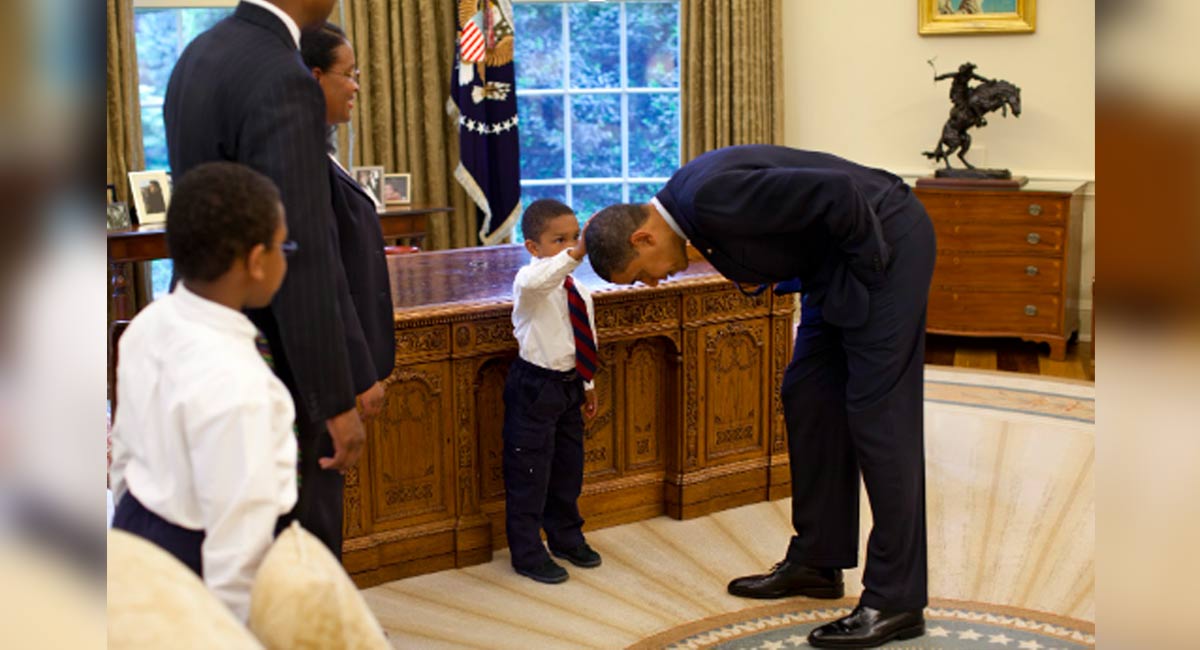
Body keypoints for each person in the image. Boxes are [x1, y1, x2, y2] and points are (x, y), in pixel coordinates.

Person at [585, 145, 936, 648]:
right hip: (838, 262)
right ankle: (818, 561)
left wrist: (872, 279)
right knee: (809, 396)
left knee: (880, 420)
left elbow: (840, 193)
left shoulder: (707, 197)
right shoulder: (690, 205)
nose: (653, 280)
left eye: (641, 272)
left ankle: (896, 600)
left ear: (643, 236)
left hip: (883, 245)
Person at [164, 0, 365, 558]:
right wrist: (334, 399)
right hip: (273, 359)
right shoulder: (283, 75)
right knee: (297, 546)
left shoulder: (199, 54)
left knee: (228, 535)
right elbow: (300, 250)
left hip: (205, 336)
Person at [109, 162, 297, 621]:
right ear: (256, 262)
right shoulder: (242, 385)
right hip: (199, 559)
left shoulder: (148, 324)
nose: (286, 257)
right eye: (282, 246)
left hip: (136, 527)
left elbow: (123, 455)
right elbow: (238, 545)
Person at [503, 198, 602, 584]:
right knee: (529, 471)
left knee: (567, 469)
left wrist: (588, 383)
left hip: (569, 386)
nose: (569, 245)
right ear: (533, 247)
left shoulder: (578, 289)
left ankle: (566, 536)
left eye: (574, 237)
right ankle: (527, 552)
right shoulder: (529, 284)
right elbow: (538, 279)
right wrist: (576, 253)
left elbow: (584, 335)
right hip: (534, 387)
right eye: (558, 239)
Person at [302, 23, 393, 423]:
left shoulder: (320, 149)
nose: (356, 86)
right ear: (315, 77)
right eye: (349, 73)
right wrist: (358, 373)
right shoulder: (302, 161)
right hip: (335, 373)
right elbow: (325, 277)